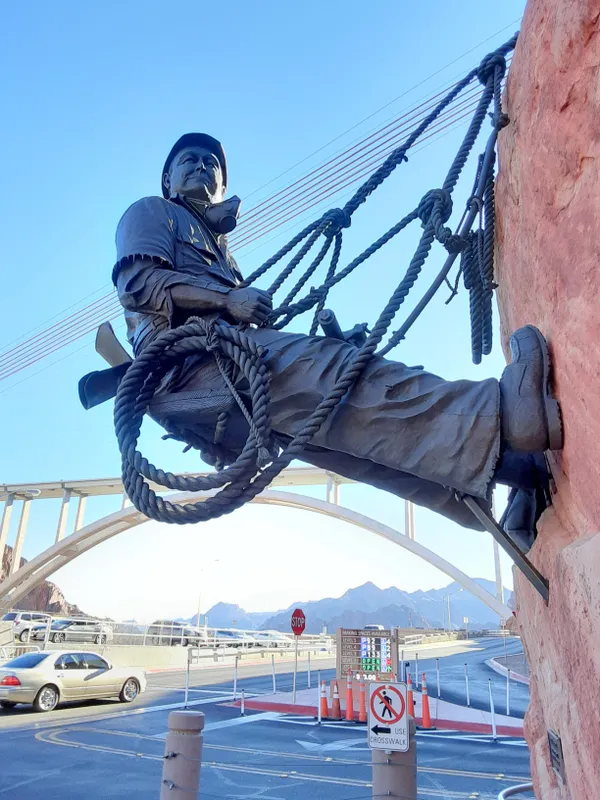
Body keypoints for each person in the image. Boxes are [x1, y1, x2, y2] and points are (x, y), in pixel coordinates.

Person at [86, 133, 562, 541]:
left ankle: (517, 477)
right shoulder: (150, 212)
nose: (201, 165)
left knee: (351, 439)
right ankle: (509, 417)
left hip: (224, 380)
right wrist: (227, 301)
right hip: (193, 368)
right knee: (343, 378)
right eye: (187, 160)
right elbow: (140, 284)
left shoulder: (221, 253)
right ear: (167, 180)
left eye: (211, 163)